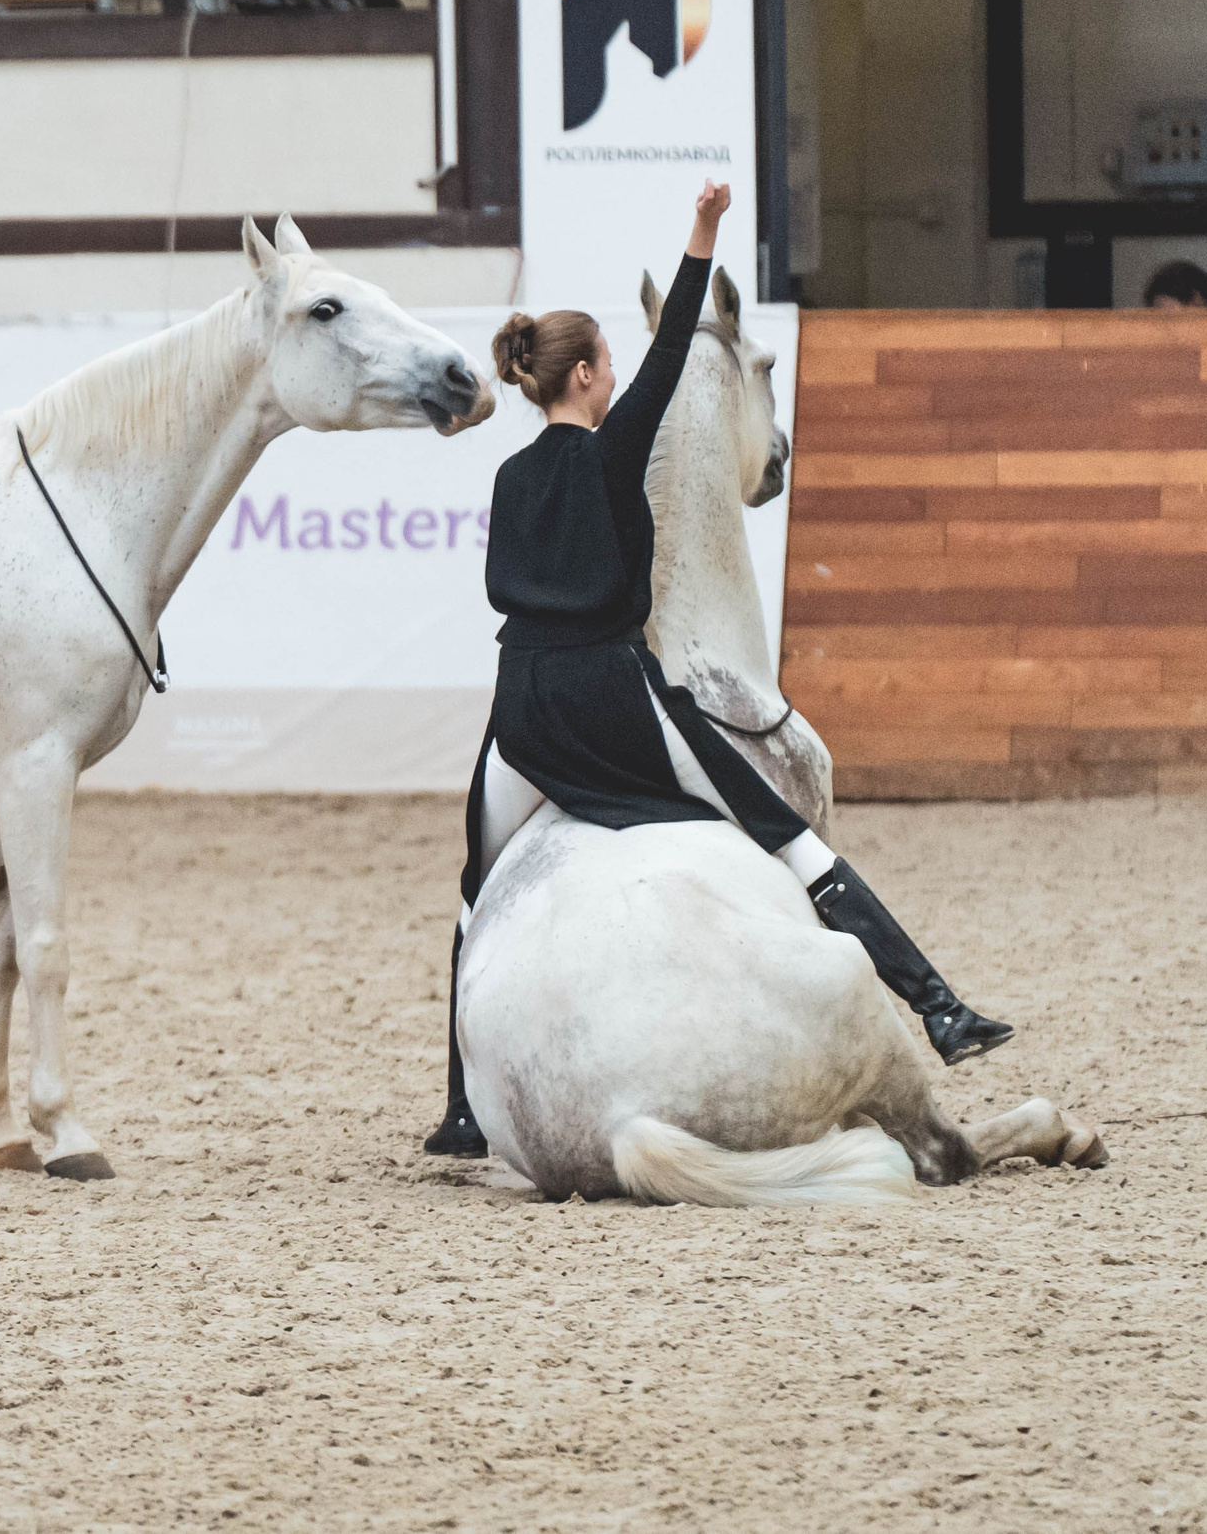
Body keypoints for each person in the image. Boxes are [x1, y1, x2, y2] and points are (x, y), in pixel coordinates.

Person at [422, 181, 1013, 1158]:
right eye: (605, 363)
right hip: (609, 692)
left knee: (475, 889)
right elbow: (673, 352)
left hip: (519, 707)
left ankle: (460, 1112)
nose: (619, 374)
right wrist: (703, 233)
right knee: (789, 838)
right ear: (581, 381)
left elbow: (501, 588)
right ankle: (940, 1008)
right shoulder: (613, 455)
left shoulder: (508, 476)